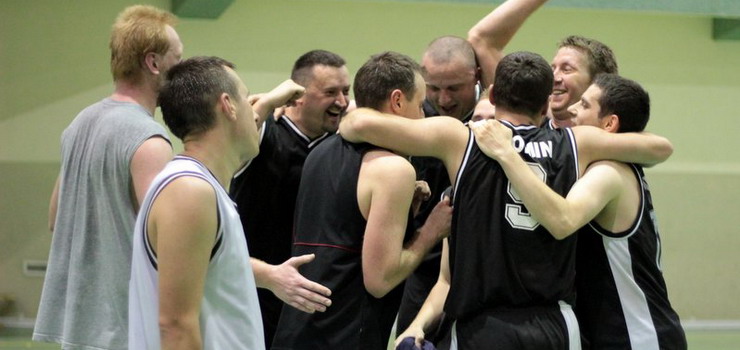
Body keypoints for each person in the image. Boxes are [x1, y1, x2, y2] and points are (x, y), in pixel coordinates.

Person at [340, 51, 673, 350]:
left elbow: (357, 124)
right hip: (556, 323)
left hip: (483, 324)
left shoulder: (459, 136)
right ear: (546, 105)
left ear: (494, 93)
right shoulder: (578, 142)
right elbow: (660, 148)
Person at [472, 73, 687, 349]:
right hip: (605, 333)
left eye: (584, 105)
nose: (572, 108)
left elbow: (562, 220)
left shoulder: (608, 172)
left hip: (636, 335)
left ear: (609, 123)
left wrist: (506, 154)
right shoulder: (588, 163)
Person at [272, 51, 452, 350]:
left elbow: (344, 227)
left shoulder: (320, 152)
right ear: (397, 100)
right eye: (420, 106)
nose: (422, 117)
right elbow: (379, 281)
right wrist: (430, 231)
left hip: (296, 330)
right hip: (345, 333)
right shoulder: (393, 169)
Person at [395, 3, 547, 338]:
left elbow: (483, 37)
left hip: (491, 270)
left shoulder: (498, 111)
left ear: (479, 79)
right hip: (428, 263)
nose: (444, 98)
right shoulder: (418, 115)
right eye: (434, 88)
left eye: (454, 88)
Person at [34, 5, 181, 349]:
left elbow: (56, 218)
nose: (182, 69)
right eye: (178, 57)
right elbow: (171, 242)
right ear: (154, 62)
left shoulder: (79, 123)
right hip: (124, 328)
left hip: (80, 327)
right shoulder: (149, 138)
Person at [128, 56, 295, 349]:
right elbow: (176, 326)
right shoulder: (189, 191)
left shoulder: (202, 188)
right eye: (246, 99)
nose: (254, 113)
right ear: (228, 105)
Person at [229, 49, 347, 347]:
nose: (342, 101)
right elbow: (229, 134)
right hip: (252, 297)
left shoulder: (342, 145)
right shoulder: (264, 134)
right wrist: (269, 100)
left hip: (311, 308)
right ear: (297, 97)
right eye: (331, 92)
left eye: (346, 92)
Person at [468, 0, 618, 129]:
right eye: (553, 69)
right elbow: (482, 39)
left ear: (597, 83)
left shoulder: (613, 139)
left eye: (567, 69)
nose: (554, 78)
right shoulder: (527, 118)